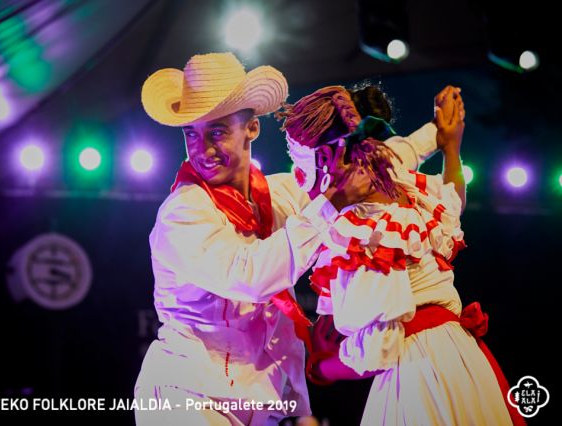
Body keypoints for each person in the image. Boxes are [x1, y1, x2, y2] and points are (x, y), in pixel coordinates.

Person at [134, 52, 440, 425]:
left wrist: (436, 135)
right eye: (190, 135)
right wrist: (333, 203)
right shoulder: (183, 211)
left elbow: (379, 161)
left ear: (252, 128)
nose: (203, 149)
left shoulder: (278, 195)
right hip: (186, 396)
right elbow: (250, 276)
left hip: (262, 401)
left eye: (216, 131)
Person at [278, 85, 523, 425]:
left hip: (420, 372)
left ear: (327, 166)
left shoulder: (360, 232)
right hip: (464, 358)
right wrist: (450, 147)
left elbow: (380, 349)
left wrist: (320, 367)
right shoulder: (406, 193)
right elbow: (453, 198)